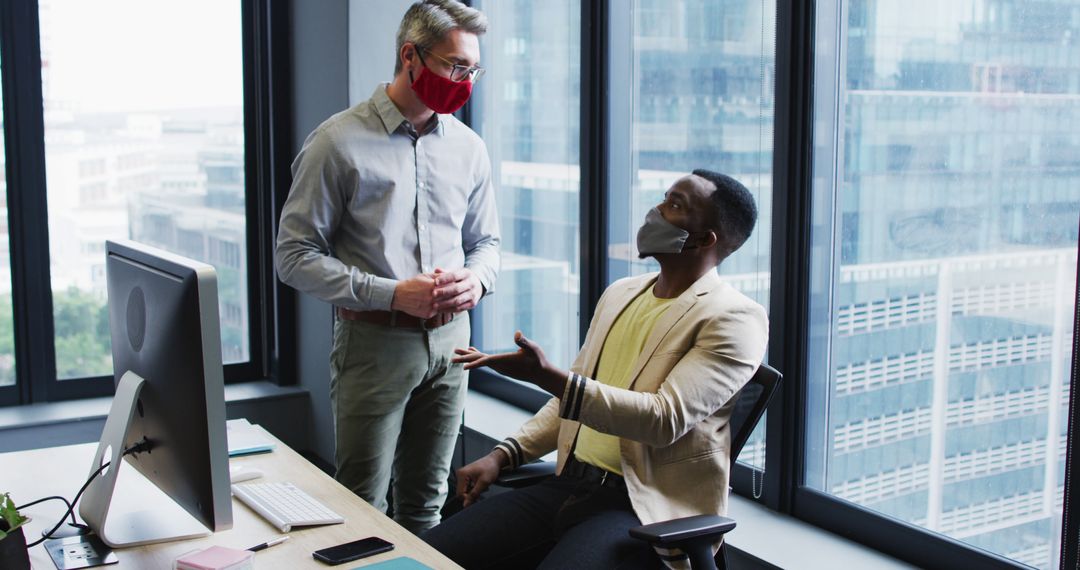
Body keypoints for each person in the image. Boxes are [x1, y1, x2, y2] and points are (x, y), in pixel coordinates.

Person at [421, 170, 768, 569]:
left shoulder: (735, 318)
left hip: (639, 508)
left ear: (706, 239)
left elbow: (662, 419)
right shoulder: (620, 293)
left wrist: (548, 377)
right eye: (663, 198)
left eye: (675, 205)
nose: (655, 210)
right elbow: (575, 402)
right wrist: (503, 455)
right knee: (425, 556)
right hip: (569, 484)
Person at [275, 0, 499, 534]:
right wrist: (393, 293)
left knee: (428, 503)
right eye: (454, 67)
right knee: (360, 505)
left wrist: (478, 278)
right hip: (374, 344)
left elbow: (486, 242)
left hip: (453, 347)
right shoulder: (336, 142)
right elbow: (293, 257)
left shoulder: (469, 148)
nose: (464, 82)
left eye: (472, 70)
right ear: (410, 57)